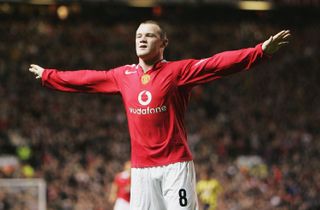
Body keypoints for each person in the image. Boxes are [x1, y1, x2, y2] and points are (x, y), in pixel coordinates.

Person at [29, 20, 290, 210]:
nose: (141, 39)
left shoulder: (178, 72)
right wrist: (49, 76)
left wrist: (259, 51)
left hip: (175, 166)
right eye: (138, 35)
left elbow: (217, 64)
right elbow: (86, 79)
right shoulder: (123, 75)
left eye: (149, 35)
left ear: (163, 43)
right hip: (141, 170)